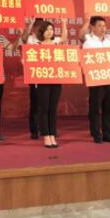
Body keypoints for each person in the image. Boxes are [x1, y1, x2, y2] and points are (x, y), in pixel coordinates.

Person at [79, 15, 110, 143]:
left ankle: (107, 132)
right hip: (96, 78)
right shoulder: (89, 42)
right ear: (93, 27)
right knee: (95, 107)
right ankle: (96, 133)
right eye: (99, 26)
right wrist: (86, 21)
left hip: (109, 77)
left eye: (104, 26)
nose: (103, 28)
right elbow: (85, 58)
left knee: (108, 106)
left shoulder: (109, 41)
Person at [34, 19, 68, 148]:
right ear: (41, 31)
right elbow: (28, 61)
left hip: (56, 79)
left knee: (53, 108)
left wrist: (63, 23)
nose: (49, 32)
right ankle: (46, 136)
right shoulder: (37, 46)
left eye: (51, 29)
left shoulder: (56, 43)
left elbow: (64, 37)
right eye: (47, 29)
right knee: (44, 108)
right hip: (42, 80)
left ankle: (52, 134)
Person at [20, 18, 43, 139]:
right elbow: (23, 38)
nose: (39, 28)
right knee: (35, 103)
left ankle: (47, 128)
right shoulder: (30, 39)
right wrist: (31, 23)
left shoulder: (48, 39)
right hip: (34, 75)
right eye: (37, 25)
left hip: (48, 75)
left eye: (41, 26)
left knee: (47, 104)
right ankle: (34, 129)